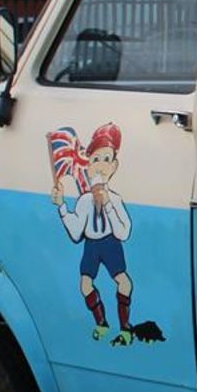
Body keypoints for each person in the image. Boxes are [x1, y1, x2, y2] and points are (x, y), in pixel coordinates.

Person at [52, 122, 136, 344]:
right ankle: (102, 323)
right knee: (85, 283)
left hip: (110, 244)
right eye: (95, 160)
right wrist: (62, 207)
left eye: (106, 160)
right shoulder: (83, 202)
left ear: (114, 166)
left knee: (124, 282)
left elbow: (124, 231)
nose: (99, 166)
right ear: (88, 166)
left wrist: (107, 204)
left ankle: (126, 327)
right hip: (92, 245)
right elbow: (76, 232)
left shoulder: (115, 200)